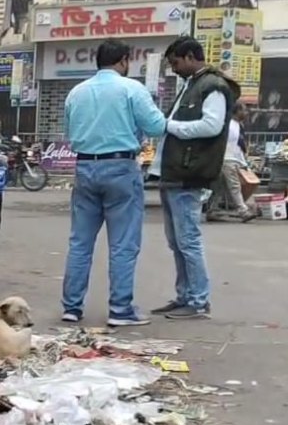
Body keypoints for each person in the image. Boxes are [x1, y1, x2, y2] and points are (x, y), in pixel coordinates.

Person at [61, 39, 167, 327]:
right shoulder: (132, 89)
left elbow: (69, 132)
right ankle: (120, 309)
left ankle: (71, 307)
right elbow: (157, 126)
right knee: (123, 243)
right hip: (121, 167)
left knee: (80, 242)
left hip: (84, 166)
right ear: (123, 61)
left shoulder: (76, 92)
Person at [148, 36, 239, 320]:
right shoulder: (193, 85)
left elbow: (211, 126)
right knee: (177, 241)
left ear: (189, 57)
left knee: (188, 240)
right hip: (174, 172)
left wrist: (171, 126)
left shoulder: (212, 87)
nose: (173, 69)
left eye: (175, 62)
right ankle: (185, 295)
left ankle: (198, 300)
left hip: (190, 174)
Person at [215, 103, 256, 222]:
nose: (247, 113)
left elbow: (238, 146)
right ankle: (243, 211)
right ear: (237, 111)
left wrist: (243, 162)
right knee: (234, 186)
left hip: (231, 159)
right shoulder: (228, 125)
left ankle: (212, 210)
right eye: (244, 110)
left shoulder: (238, 125)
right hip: (227, 159)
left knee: (219, 187)